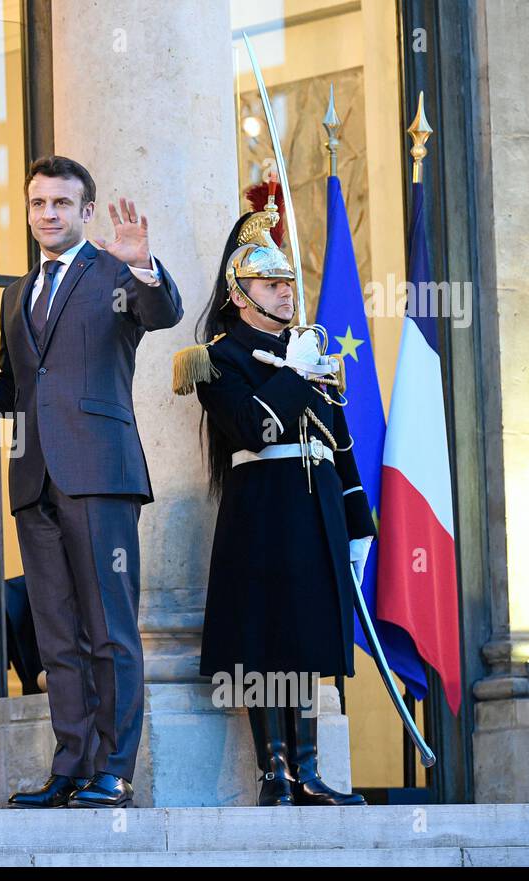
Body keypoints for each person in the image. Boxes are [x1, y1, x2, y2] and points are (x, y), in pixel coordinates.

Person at [0, 156, 183, 809]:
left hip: (100, 475)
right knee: (56, 634)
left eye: (61, 204)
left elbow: (162, 312)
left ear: (84, 211)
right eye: (38, 203)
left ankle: (115, 769)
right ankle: (71, 763)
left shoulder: (114, 272)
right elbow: (10, 388)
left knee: (109, 629)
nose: (48, 214)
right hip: (33, 479)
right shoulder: (15, 295)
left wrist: (142, 266)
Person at [173, 185, 369, 807]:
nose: (287, 291)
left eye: (288, 282)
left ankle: (308, 774)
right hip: (261, 512)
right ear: (240, 294)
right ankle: (274, 775)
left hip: (315, 512)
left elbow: (340, 446)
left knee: (307, 641)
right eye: (271, 283)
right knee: (265, 643)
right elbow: (256, 428)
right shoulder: (215, 360)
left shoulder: (311, 351)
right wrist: (291, 374)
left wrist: (359, 525)